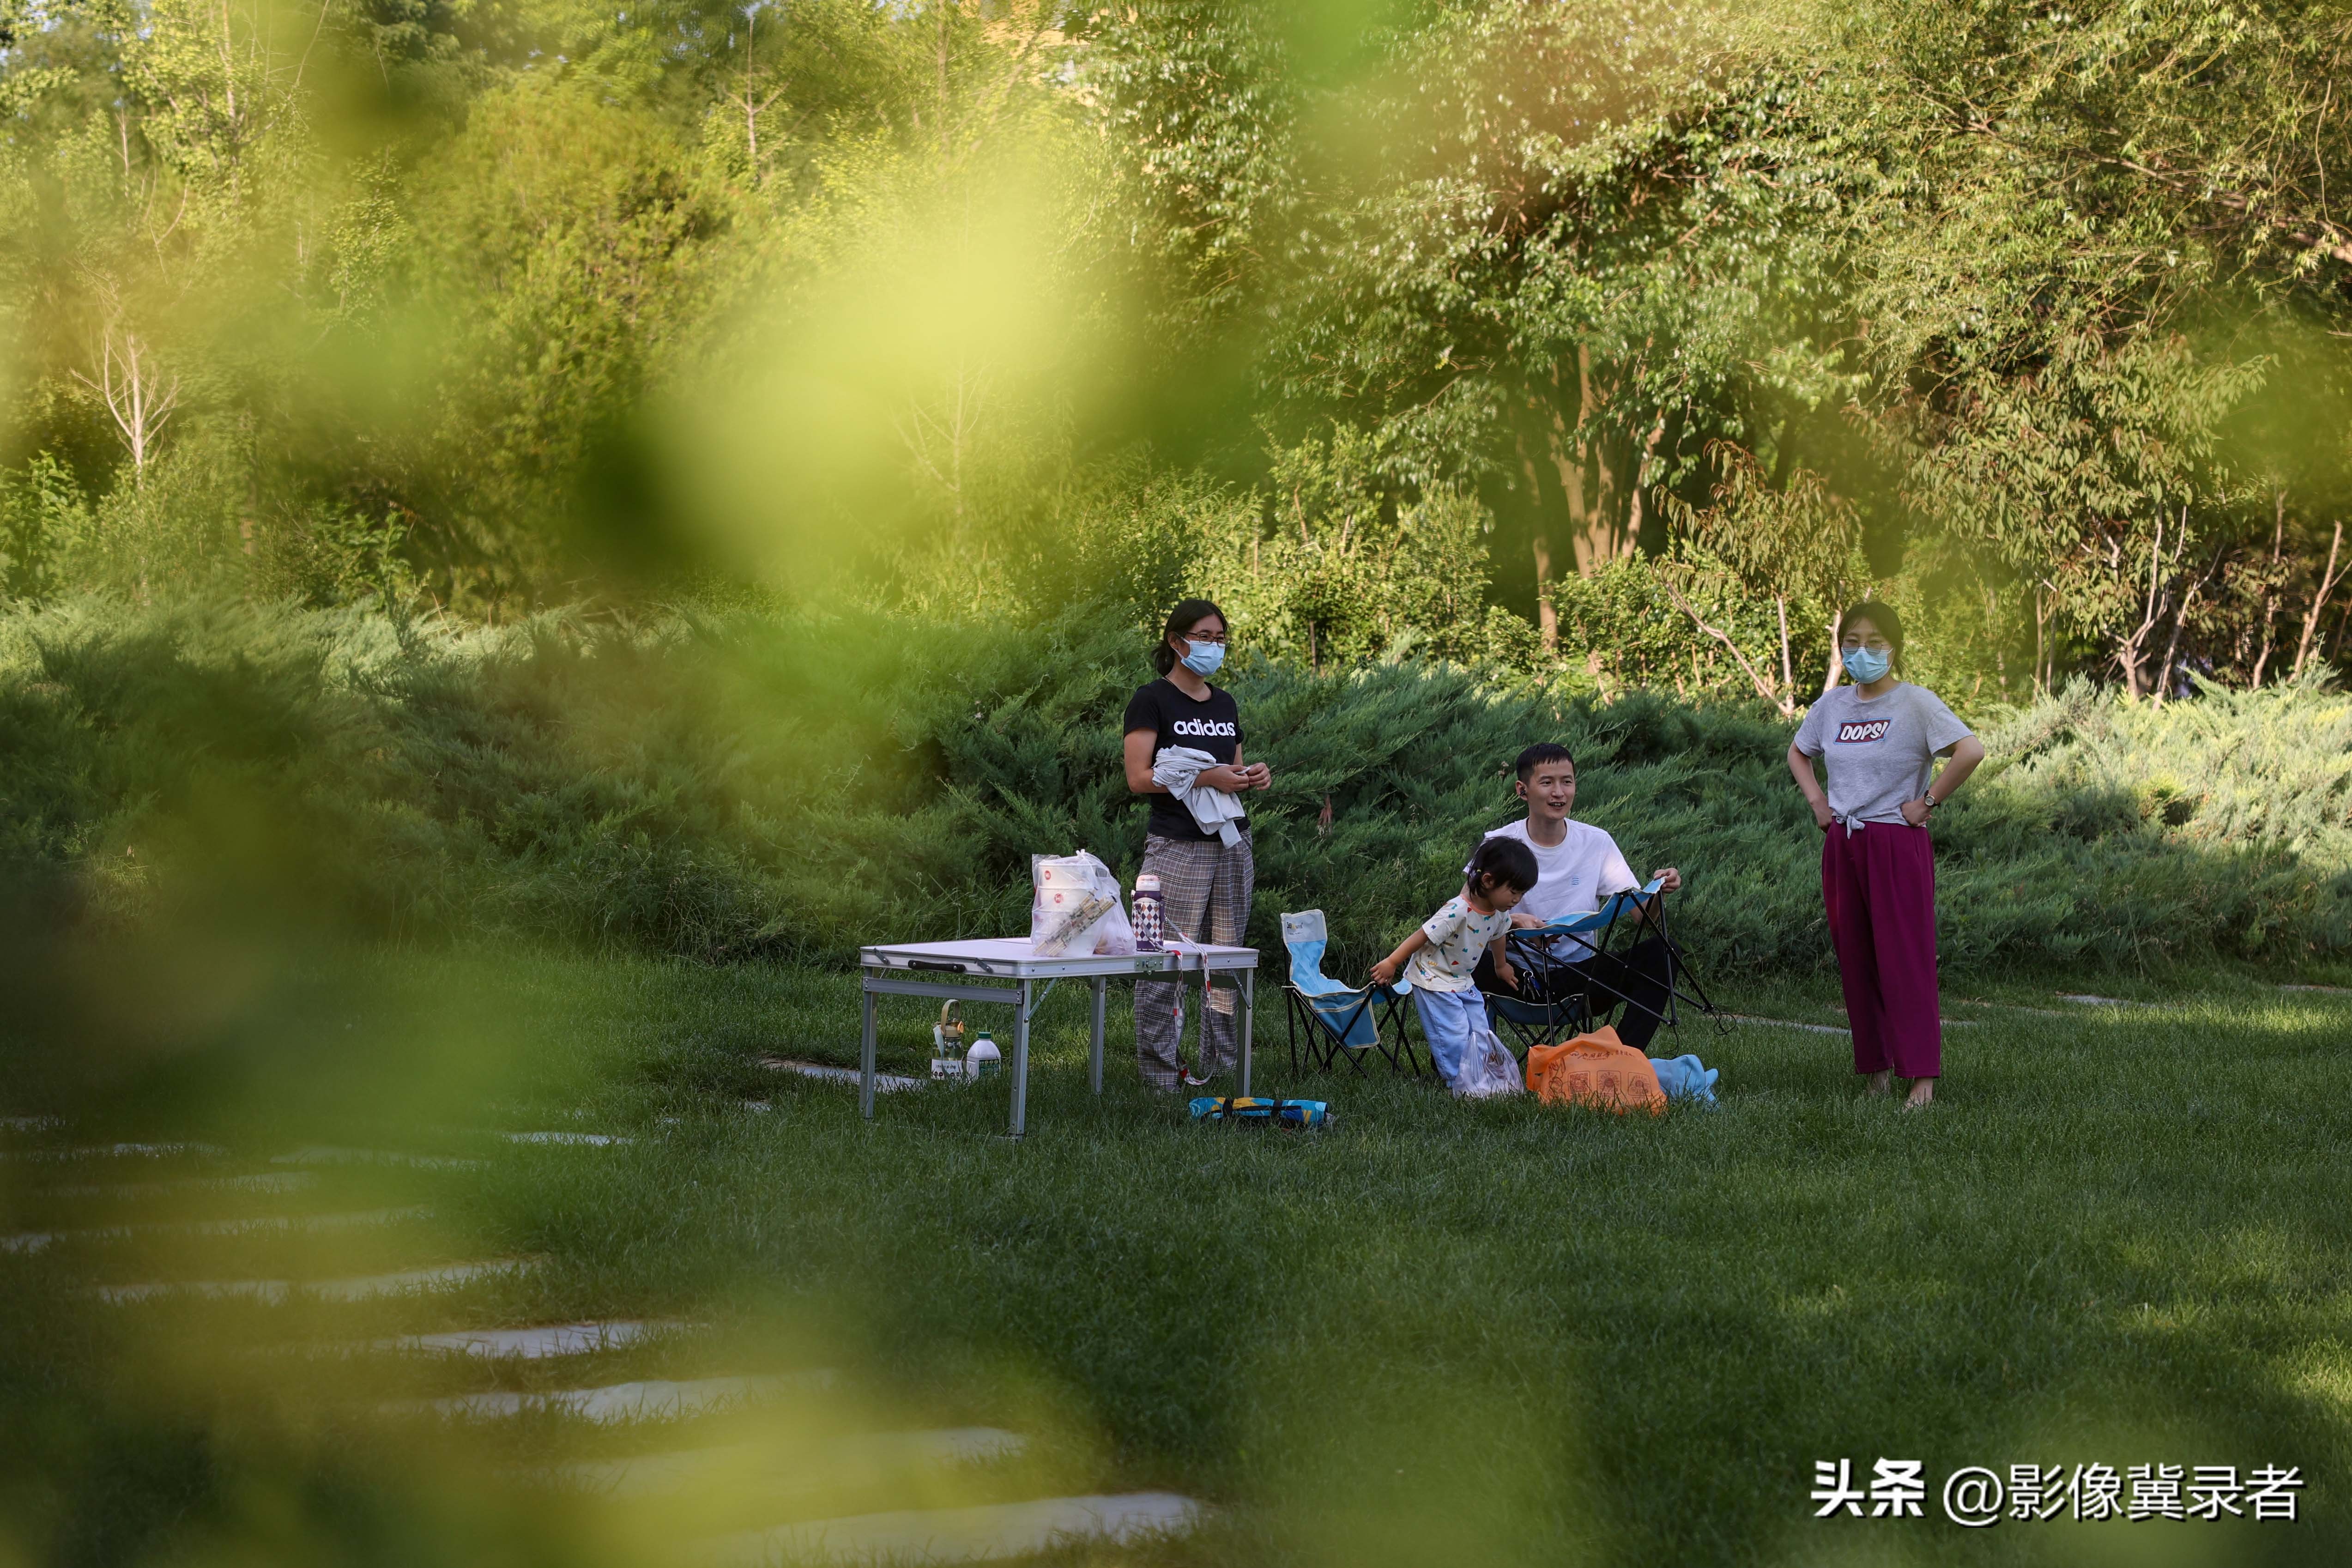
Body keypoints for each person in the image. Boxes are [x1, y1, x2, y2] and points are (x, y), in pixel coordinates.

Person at [1786, 600, 1986, 1110]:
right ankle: (1875, 1072)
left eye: (1874, 642)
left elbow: (1969, 750)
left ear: (1893, 648)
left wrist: (1926, 802)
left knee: (1904, 960)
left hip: (1895, 842)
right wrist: (1817, 801)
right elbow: (1798, 751)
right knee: (1855, 959)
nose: (1861, 651)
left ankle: (1920, 1079)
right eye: (1851, 641)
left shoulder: (1916, 703)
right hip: (1844, 843)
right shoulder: (1831, 706)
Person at [1123, 598, 1271, 1089]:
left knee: (1225, 958)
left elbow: (1234, 765)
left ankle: (1223, 1066)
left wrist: (1252, 776)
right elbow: (1138, 777)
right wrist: (1206, 777)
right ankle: (1160, 1073)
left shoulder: (1225, 703)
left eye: (1220, 638)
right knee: (1165, 959)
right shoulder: (1151, 699)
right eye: (1204, 636)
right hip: (1176, 846)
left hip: (1231, 843)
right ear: (1176, 641)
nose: (1213, 646)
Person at [1469, 744, 1684, 1050]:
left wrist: (1657, 891)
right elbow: (1464, 916)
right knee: (1460, 955)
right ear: (1522, 790)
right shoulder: (1497, 844)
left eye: (1567, 781)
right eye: (1547, 782)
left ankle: (1623, 1057)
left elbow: (1642, 918)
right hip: (1513, 977)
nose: (1559, 792)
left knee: (1663, 952)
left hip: (1581, 979)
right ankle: (1470, 1060)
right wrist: (1513, 922)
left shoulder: (1596, 842)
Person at [1370, 836, 1537, 1091]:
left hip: (1462, 980)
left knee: (1480, 1028)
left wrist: (1501, 966)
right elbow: (1423, 934)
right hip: (1433, 978)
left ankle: (1481, 1074)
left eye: (1522, 893)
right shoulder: (1458, 910)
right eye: (1514, 892)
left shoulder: (1499, 912)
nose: (1518, 900)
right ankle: (1457, 1082)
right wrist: (1392, 962)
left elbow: (1499, 935)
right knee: (1453, 1032)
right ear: (1488, 881)